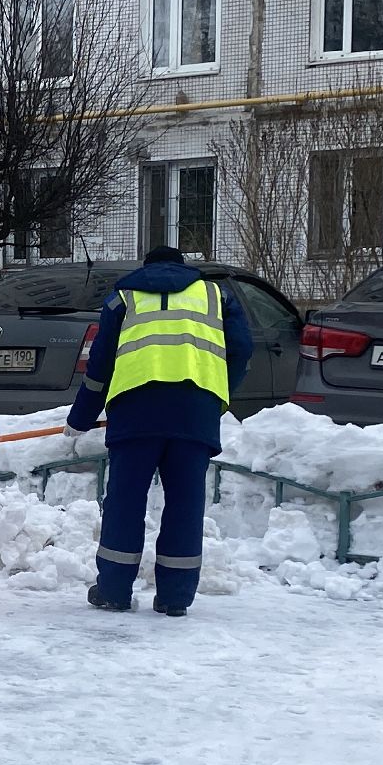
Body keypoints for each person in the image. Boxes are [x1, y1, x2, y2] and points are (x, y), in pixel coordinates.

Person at [64, 245, 254, 617]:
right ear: (183, 267)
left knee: (125, 502)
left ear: (145, 268)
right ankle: (175, 598)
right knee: (185, 505)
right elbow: (242, 350)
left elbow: (100, 363)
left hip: (135, 411)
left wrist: (81, 416)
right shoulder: (217, 296)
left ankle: (114, 591)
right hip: (195, 413)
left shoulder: (123, 298)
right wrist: (217, 394)